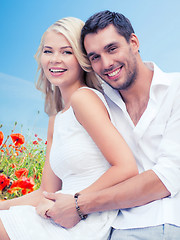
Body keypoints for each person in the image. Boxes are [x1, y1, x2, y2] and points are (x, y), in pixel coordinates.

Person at [42, 10, 180, 240]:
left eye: (112, 48)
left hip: (169, 220)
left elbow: (168, 177)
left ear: (133, 42)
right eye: (94, 56)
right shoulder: (98, 101)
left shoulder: (176, 90)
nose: (106, 63)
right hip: (113, 227)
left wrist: (79, 204)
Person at [0, 16, 138, 240]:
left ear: (81, 58)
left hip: (86, 218)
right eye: (48, 51)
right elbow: (47, 192)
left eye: (66, 52)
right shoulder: (56, 118)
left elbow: (126, 167)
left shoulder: (84, 99)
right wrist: (3, 204)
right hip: (60, 212)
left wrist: (75, 202)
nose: (55, 60)